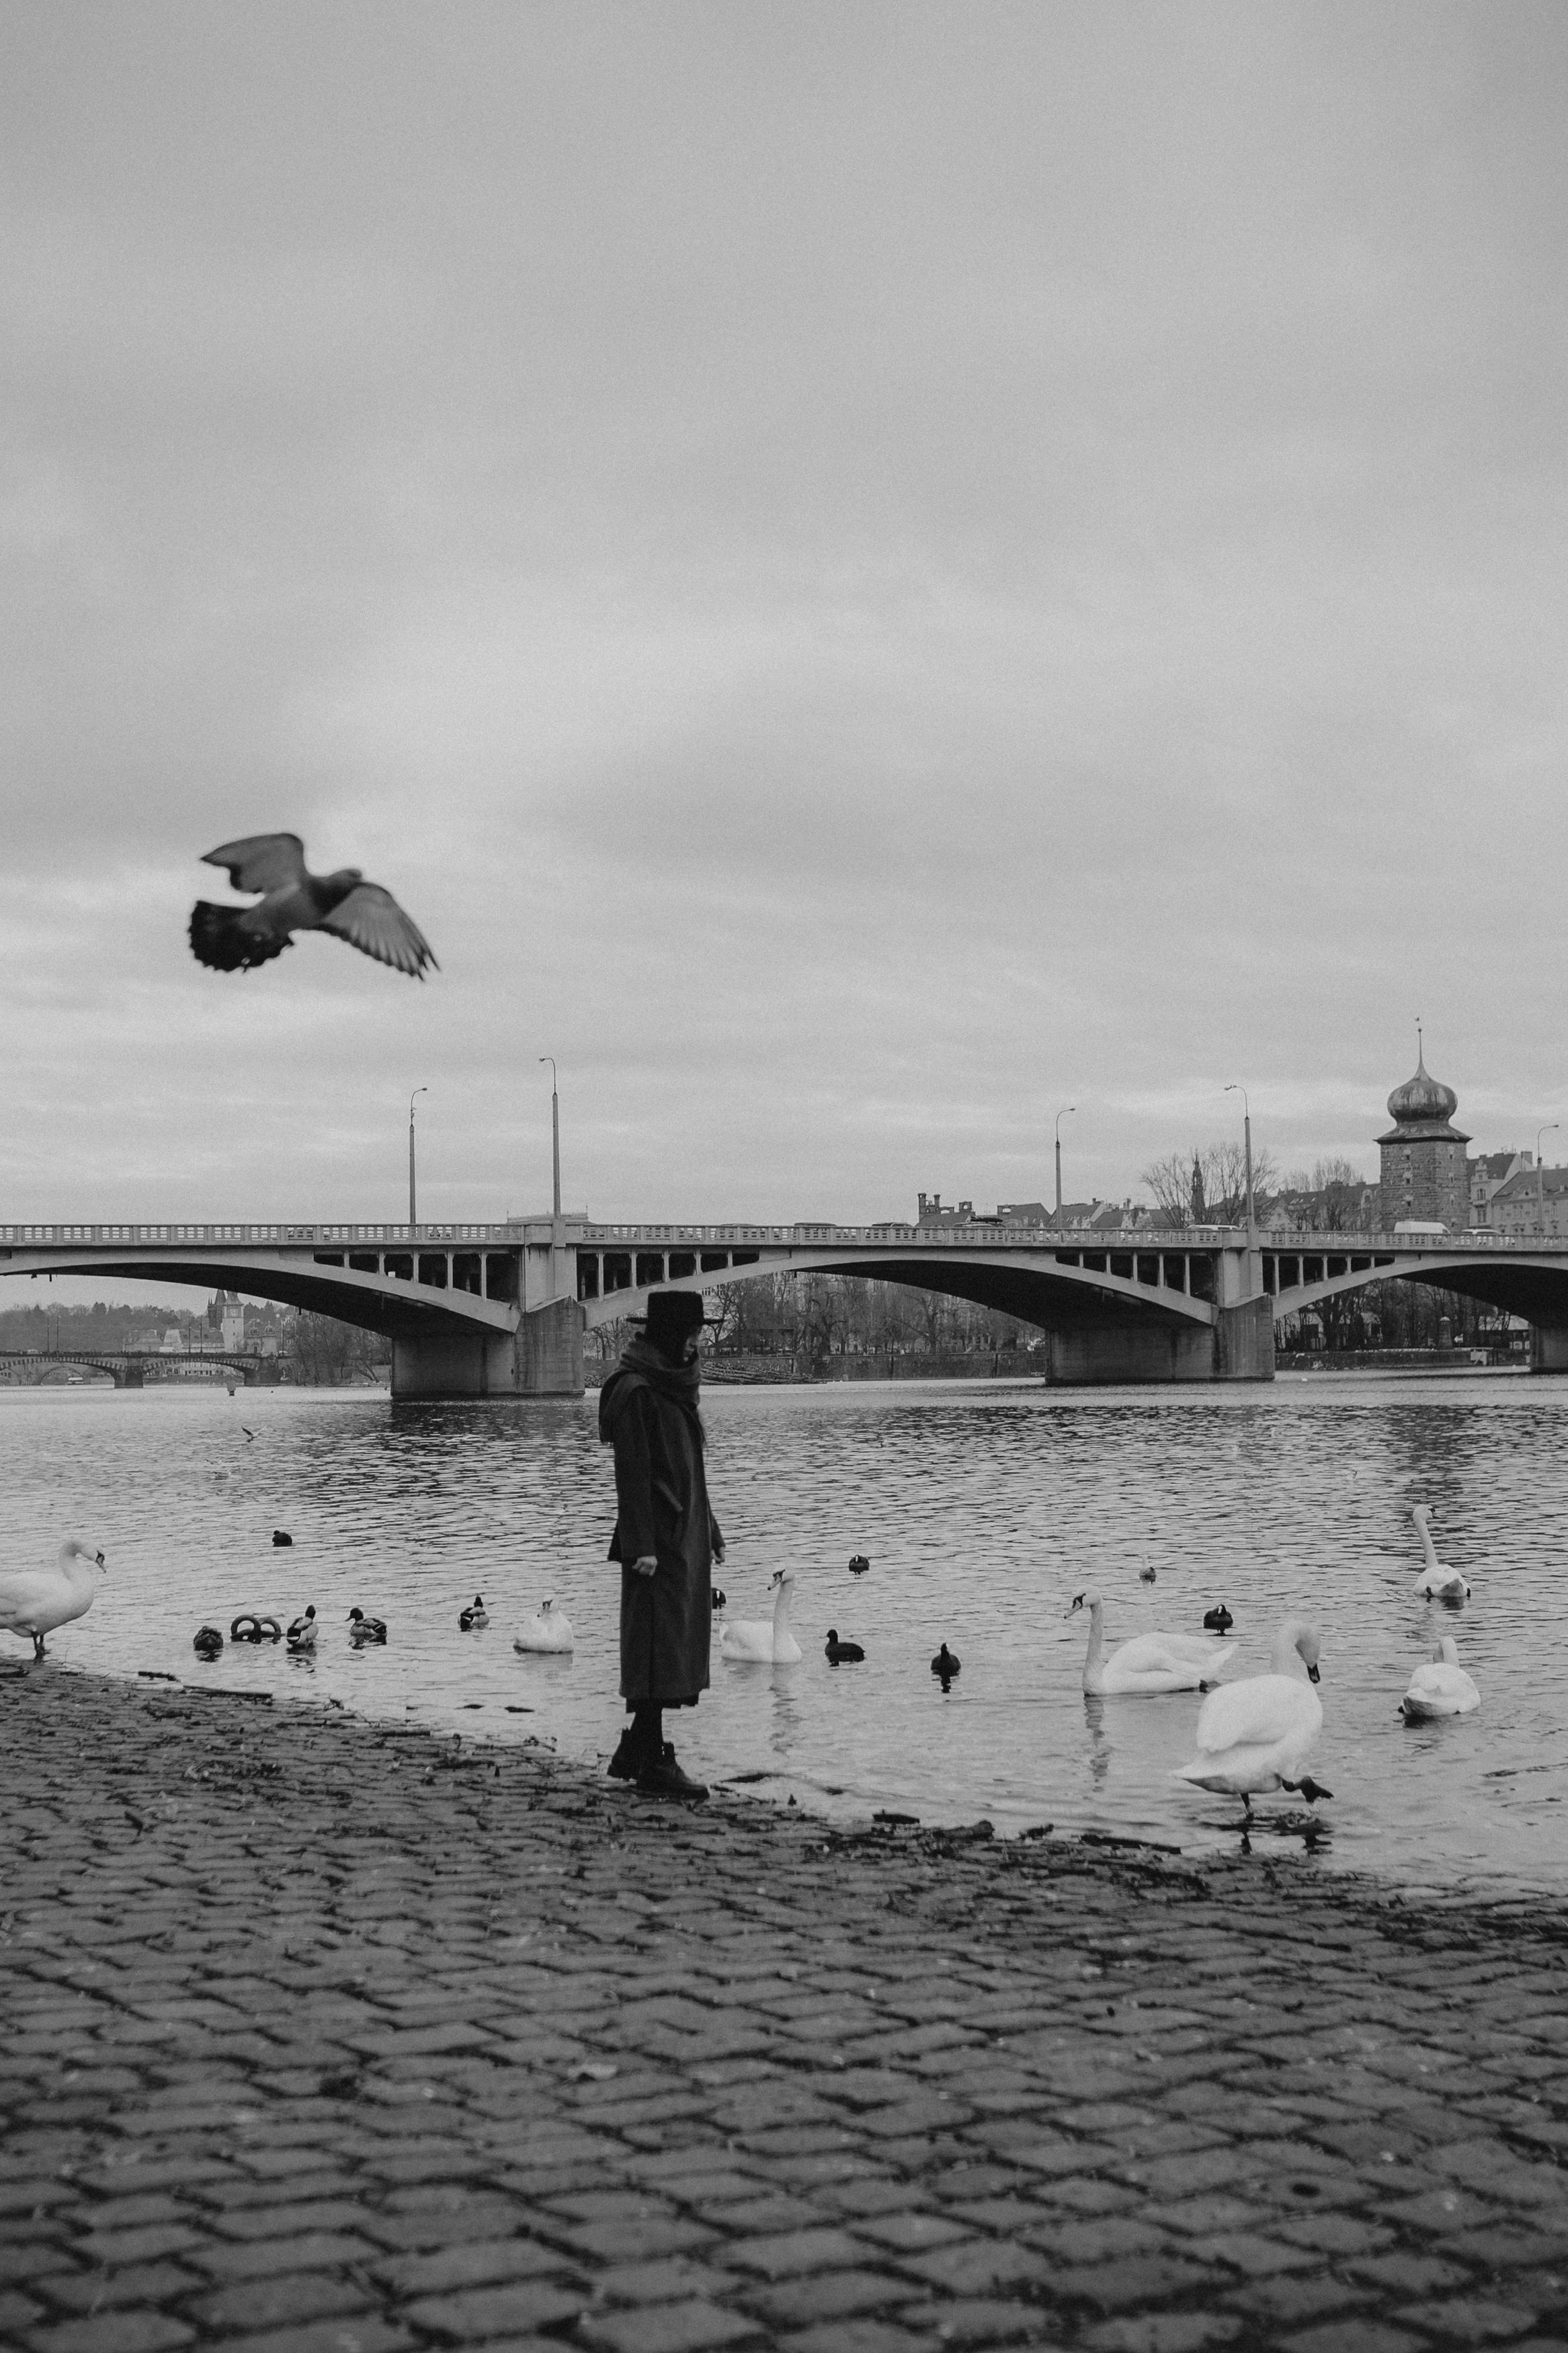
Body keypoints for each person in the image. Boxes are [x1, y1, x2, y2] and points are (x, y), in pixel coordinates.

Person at [599, 1289, 724, 1798]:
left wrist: (710, 1528)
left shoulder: (675, 1386)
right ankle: (650, 1758)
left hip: (684, 1534)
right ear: (674, 1336)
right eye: (691, 1335)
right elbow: (632, 1474)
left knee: (671, 1646)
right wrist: (641, 1545)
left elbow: (689, 1467)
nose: (697, 1344)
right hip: (654, 1541)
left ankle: (642, 1749)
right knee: (655, 1647)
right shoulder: (636, 1391)